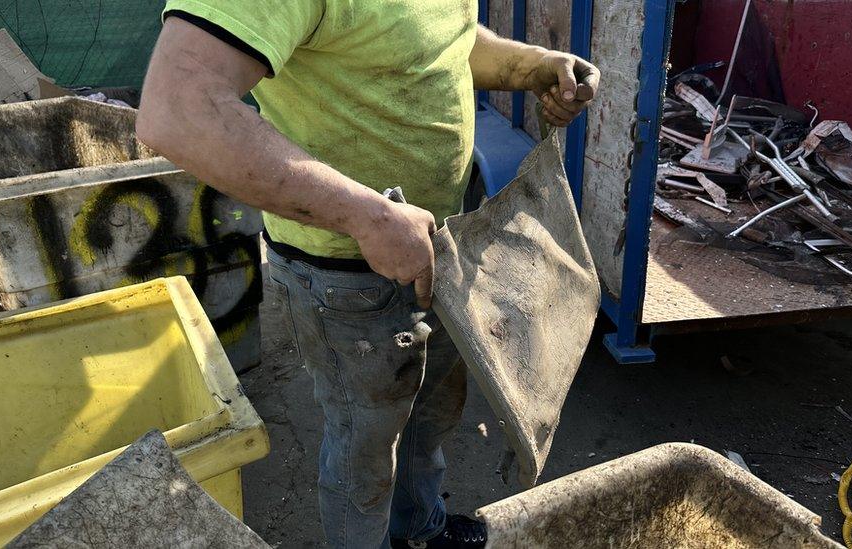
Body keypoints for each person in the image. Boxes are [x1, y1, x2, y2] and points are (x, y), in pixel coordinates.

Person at [137, 2, 598, 547]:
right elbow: (178, 107)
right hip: (346, 275)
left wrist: (534, 64)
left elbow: (438, 36)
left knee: (429, 419)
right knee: (366, 451)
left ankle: (418, 531)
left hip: (443, 247)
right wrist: (368, 217)